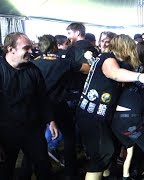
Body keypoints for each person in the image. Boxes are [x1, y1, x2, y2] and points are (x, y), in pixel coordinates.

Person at [75, 34, 144, 180]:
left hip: (95, 114)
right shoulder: (108, 58)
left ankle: (106, 175)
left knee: (105, 151)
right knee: (101, 155)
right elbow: (115, 74)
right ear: (124, 47)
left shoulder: (109, 58)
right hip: (93, 115)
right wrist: (139, 76)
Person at [0, 32, 58, 180]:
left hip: (32, 129)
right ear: (10, 49)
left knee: (43, 166)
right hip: (5, 132)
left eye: (31, 48)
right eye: (27, 48)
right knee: (6, 169)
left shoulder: (33, 70)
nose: (31, 51)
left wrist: (50, 120)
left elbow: (42, 98)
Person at [31, 34, 90, 179]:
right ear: (55, 46)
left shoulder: (34, 62)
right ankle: (71, 172)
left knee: (37, 140)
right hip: (59, 105)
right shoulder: (63, 62)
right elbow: (88, 68)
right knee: (69, 138)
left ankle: (42, 171)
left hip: (39, 106)